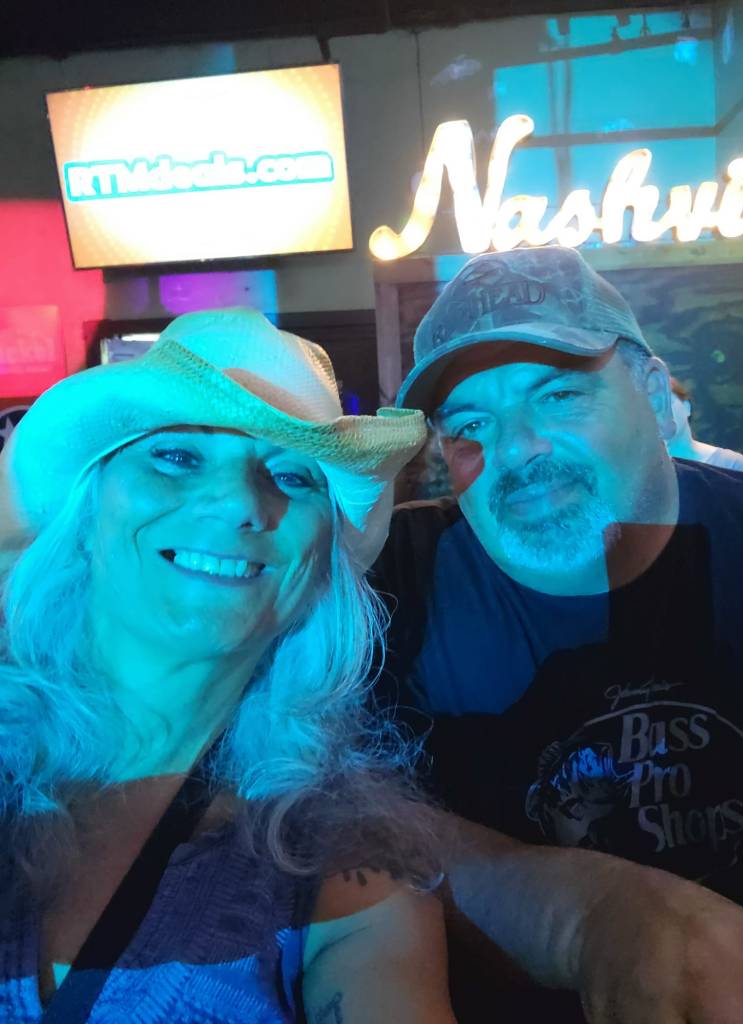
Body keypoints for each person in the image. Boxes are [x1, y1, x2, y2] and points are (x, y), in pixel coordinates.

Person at [0, 308, 456, 1023]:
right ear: (86, 516)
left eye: (294, 475)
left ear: (320, 567)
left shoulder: (347, 869)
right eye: (178, 456)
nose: (243, 501)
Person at [371, 247, 743, 1023]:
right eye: (470, 425)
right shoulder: (394, 587)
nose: (516, 448)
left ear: (655, 397)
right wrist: (580, 917)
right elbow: (330, 820)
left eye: (557, 395)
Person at [667, 376, 743, 473]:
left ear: (686, 406)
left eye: (667, 403)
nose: (660, 413)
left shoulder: (732, 465)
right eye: (654, 407)